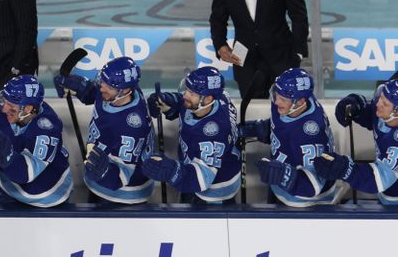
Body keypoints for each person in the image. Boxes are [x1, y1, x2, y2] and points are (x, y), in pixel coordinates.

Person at [53, 57, 155, 204]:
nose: (102, 88)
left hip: (121, 194)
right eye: (103, 81)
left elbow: (121, 177)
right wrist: (81, 88)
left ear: (125, 90)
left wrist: (105, 172)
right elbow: (96, 94)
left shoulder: (132, 126)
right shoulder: (121, 92)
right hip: (99, 178)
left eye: (109, 86)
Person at [0, 74, 73, 207]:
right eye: (4, 101)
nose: (4, 109)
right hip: (8, 188)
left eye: (11, 106)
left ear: (28, 108)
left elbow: (26, 174)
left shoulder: (47, 129)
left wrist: (7, 157)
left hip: (47, 195)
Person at [238, 68, 338, 207]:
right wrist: (260, 128)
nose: (276, 101)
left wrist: (283, 175)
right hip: (280, 183)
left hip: (304, 200)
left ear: (301, 101)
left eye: (283, 99)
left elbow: (313, 185)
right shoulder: (291, 101)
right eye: (276, 94)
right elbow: (285, 126)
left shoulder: (310, 134)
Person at [143, 66, 241, 204]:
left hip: (214, 192)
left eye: (192, 93)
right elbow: (184, 103)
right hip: (195, 170)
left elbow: (202, 178)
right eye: (187, 90)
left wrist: (171, 170)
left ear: (208, 99)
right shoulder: (215, 99)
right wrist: (167, 100)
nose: (185, 96)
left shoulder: (213, 132)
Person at [314, 79, 398, 204]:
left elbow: (376, 180)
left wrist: (345, 168)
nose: (378, 104)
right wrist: (357, 107)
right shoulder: (386, 111)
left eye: (384, 104)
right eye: (381, 98)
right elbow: (372, 115)